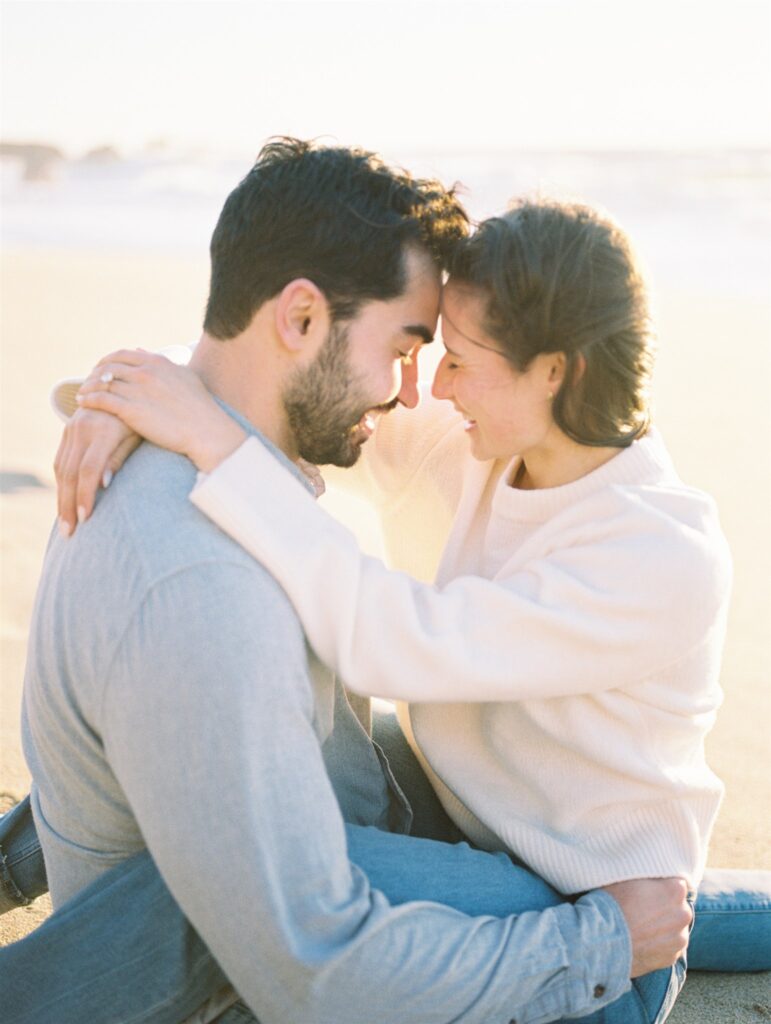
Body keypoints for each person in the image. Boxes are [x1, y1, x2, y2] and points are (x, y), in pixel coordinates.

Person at [0, 139, 696, 1024]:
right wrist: (140, 386)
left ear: (553, 375)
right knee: (235, 848)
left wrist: (211, 438)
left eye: (452, 358)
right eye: (414, 348)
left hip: (571, 876)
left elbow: (394, 638)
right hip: (471, 807)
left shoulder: (649, 555)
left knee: (219, 879)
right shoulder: (481, 444)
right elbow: (244, 357)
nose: (423, 391)